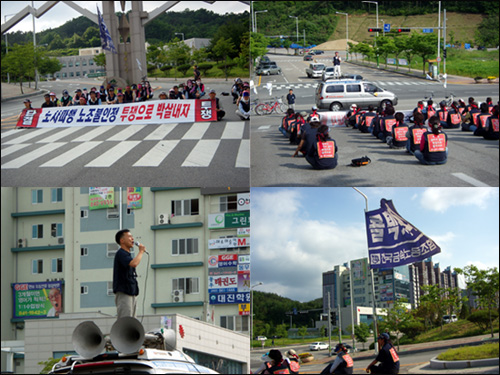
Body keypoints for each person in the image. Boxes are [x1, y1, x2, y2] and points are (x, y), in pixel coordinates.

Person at [113, 229, 146, 319]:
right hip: (124, 291)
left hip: (131, 291)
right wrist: (141, 251)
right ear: (122, 240)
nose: (132, 239)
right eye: (129, 237)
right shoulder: (121, 253)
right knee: (125, 319)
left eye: (132, 237)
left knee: (132, 320)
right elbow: (134, 263)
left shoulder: (127, 255)